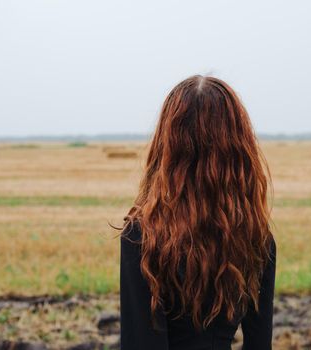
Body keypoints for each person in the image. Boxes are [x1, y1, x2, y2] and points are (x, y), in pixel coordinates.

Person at [116, 75, 276, 350]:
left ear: (167, 145)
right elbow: (260, 345)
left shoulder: (142, 236)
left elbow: (140, 343)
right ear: (238, 148)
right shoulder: (256, 238)